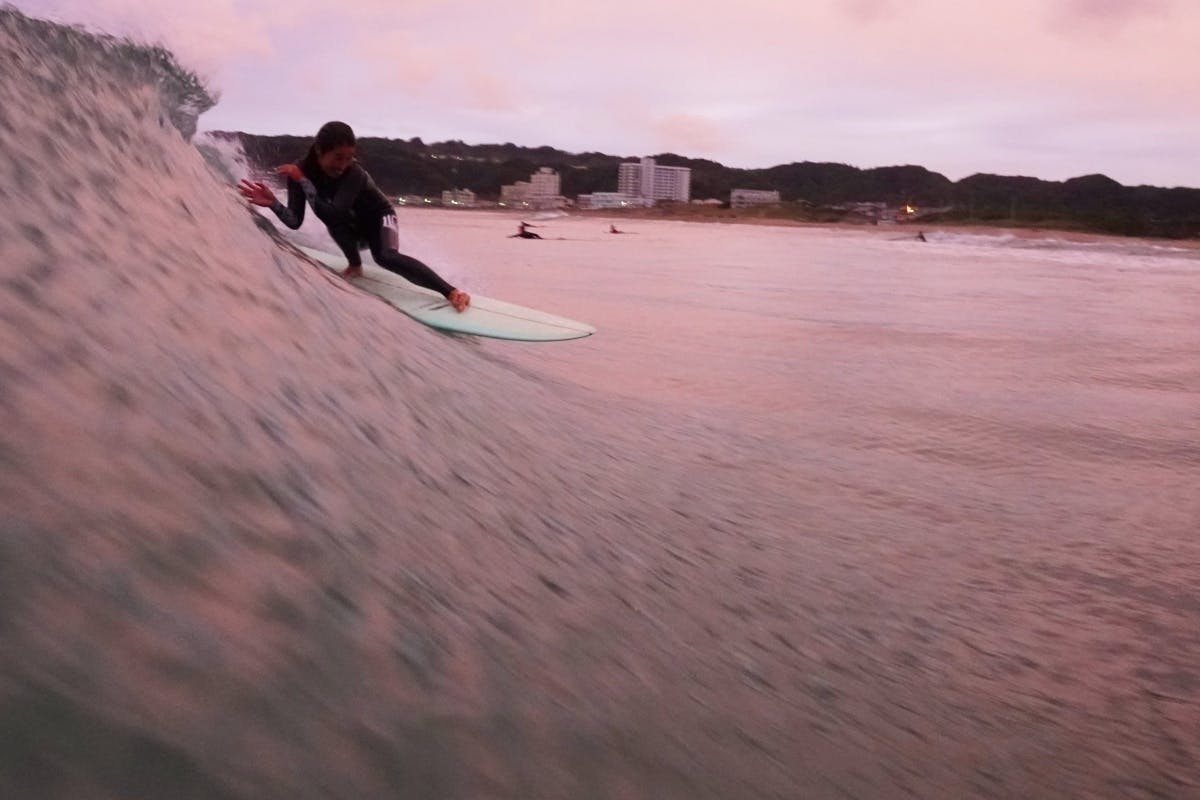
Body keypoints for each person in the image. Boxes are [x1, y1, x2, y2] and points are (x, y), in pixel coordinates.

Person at [238, 121, 469, 312]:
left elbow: (333, 212)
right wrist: (273, 204)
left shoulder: (353, 174)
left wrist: (302, 181)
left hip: (380, 218)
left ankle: (451, 292)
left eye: (349, 158)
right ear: (319, 151)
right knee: (334, 222)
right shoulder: (300, 172)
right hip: (353, 228)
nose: (344, 165)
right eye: (338, 157)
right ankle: (355, 265)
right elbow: (294, 222)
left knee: (385, 256)